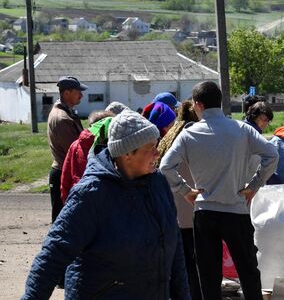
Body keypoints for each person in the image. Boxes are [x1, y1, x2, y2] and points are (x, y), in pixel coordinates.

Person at [22, 110, 190, 300]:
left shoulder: (158, 183)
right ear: (127, 153)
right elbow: (53, 254)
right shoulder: (91, 194)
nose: (157, 152)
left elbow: (174, 249)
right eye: (150, 147)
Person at [160, 81, 279, 300]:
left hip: (204, 211)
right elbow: (272, 155)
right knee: (248, 272)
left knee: (208, 275)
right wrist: (254, 185)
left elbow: (165, 167)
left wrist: (185, 190)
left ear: (198, 105)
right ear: (221, 102)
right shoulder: (242, 130)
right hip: (236, 209)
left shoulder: (189, 135)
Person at [156, 100, 201, 300]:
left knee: (181, 261)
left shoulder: (171, 134)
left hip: (174, 206)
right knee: (194, 262)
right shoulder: (192, 135)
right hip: (191, 204)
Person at [47, 76, 86, 223]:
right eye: (78, 92)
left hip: (67, 171)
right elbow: (76, 151)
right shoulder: (62, 118)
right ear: (66, 93)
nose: (81, 95)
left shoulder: (66, 112)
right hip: (64, 173)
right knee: (62, 220)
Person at [60, 110, 114, 203]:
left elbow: (66, 176)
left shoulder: (75, 145)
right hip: (103, 198)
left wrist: (66, 199)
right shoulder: (109, 147)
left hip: (78, 195)